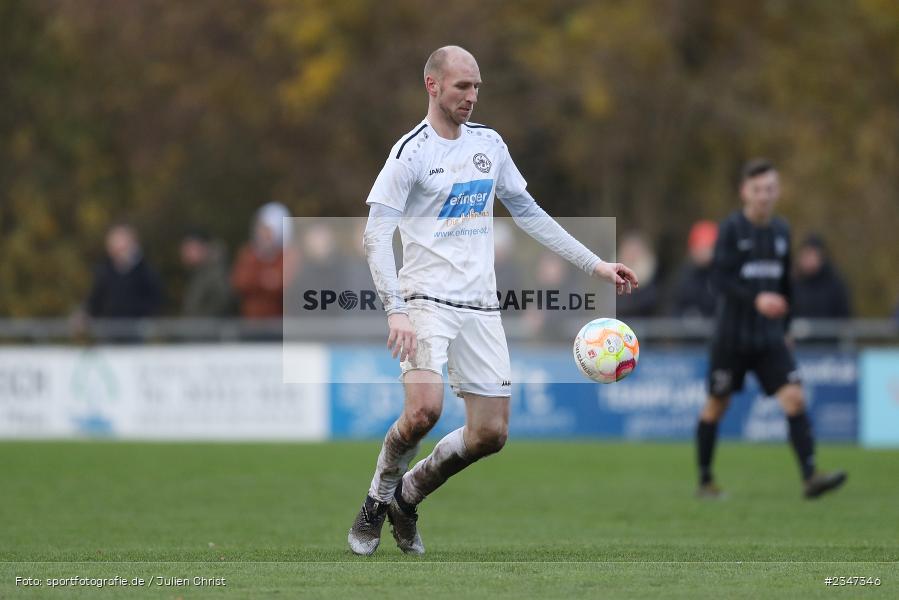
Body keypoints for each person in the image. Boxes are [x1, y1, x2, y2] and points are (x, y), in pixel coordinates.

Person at [348, 45, 638, 556]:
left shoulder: (489, 145)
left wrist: (596, 264)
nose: (472, 96)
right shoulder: (410, 152)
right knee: (423, 413)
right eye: (462, 86)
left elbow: (528, 212)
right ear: (432, 86)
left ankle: (408, 495)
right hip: (425, 302)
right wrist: (396, 309)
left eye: (477, 86)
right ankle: (376, 499)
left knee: (490, 434)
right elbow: (376, 236)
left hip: (480, 305)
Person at [695, 159, 846, 500]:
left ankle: (811, 477)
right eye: (758, 189)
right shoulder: (732, 229)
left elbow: (784, 284)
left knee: (794, 397)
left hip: (768, 337)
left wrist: (787, 326)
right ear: (744, 192)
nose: (764, 196)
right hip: (731, 338)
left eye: (770, 189)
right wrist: (756, 300)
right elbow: (718, 280)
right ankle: (705, 481)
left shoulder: (781, 231)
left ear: (777, 192)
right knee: (717, 405)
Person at [86, 223, 163, 319]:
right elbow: (95, 302)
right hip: (109, 330)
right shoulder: (104, 271)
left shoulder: (146, 272)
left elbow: (155, 303)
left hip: (137, 331)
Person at [231, 202, 291, 319]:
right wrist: (264, 280)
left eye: (268, 230)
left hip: (279, 322)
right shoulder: (249, 254)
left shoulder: (288, 256)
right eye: (262, 229)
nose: (263, 234)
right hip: (252, 322)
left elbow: (286, 286)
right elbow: (240, 282)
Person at [791, 234, 851, 319]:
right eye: (807, 255)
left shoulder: (835, 284)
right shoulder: (793, 283)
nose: (809, 260)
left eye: (813, 255)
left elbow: (845, 315)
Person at [180, 230, 235, 317]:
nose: (185, 253)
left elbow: (222, 300)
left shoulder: (215, 273)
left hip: (210, 328)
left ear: (203, 248)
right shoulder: (198, 273)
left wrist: (201, 323)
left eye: (189, 248)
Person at [670, 220, 718, 319]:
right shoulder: (683, 276)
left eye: (707, 248)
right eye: (699, 248)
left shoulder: (722, 275)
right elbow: (673, 307)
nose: (703, 252)